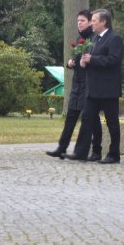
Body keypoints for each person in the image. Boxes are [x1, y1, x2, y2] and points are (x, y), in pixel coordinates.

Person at [64, 9, 124, 164]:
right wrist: (84, 62)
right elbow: (91, 59)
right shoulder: (95, 39)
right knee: (87, 118)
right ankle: (88, 152)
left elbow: (114, 60)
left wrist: (93, 60)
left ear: (104, 22)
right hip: (92, 89)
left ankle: (114, 154)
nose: (91, 23)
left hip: (108, 89)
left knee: (111, 122)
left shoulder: (114, 38)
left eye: (94, 21)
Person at [46, 10, 103, 158]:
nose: (79, 23)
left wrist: (86, 62)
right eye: (78, 21)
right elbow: (76, 59)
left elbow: (95, 61)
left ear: (90, 22)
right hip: (77, 84)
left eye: (82, 20)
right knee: (71, 117)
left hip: (89, 85)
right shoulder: (79, 39)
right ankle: (62, 148)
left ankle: (96, 150)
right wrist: (70, 63)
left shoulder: (95, 39)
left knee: (92, 119)